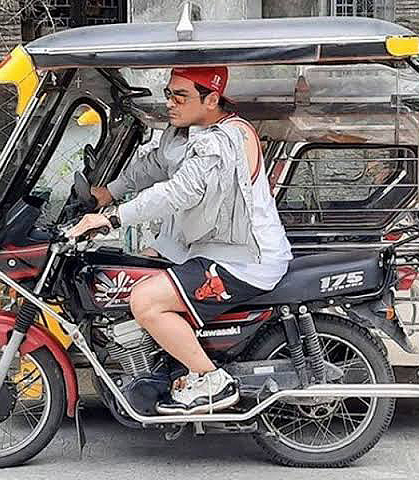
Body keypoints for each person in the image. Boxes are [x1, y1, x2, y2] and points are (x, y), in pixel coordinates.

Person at [66, 66, 292, 415]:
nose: (170, 103)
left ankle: (211, 381)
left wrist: (113, 218)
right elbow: (154, 165)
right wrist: (108, 193)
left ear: (212, 99)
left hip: (243, 260)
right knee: (134, 271)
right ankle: (164, 368)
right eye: (169, 94)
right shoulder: (187, 134)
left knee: (145, 300)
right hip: (205, 248)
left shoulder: (226, 140)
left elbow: (179, 191)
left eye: (181, 96)